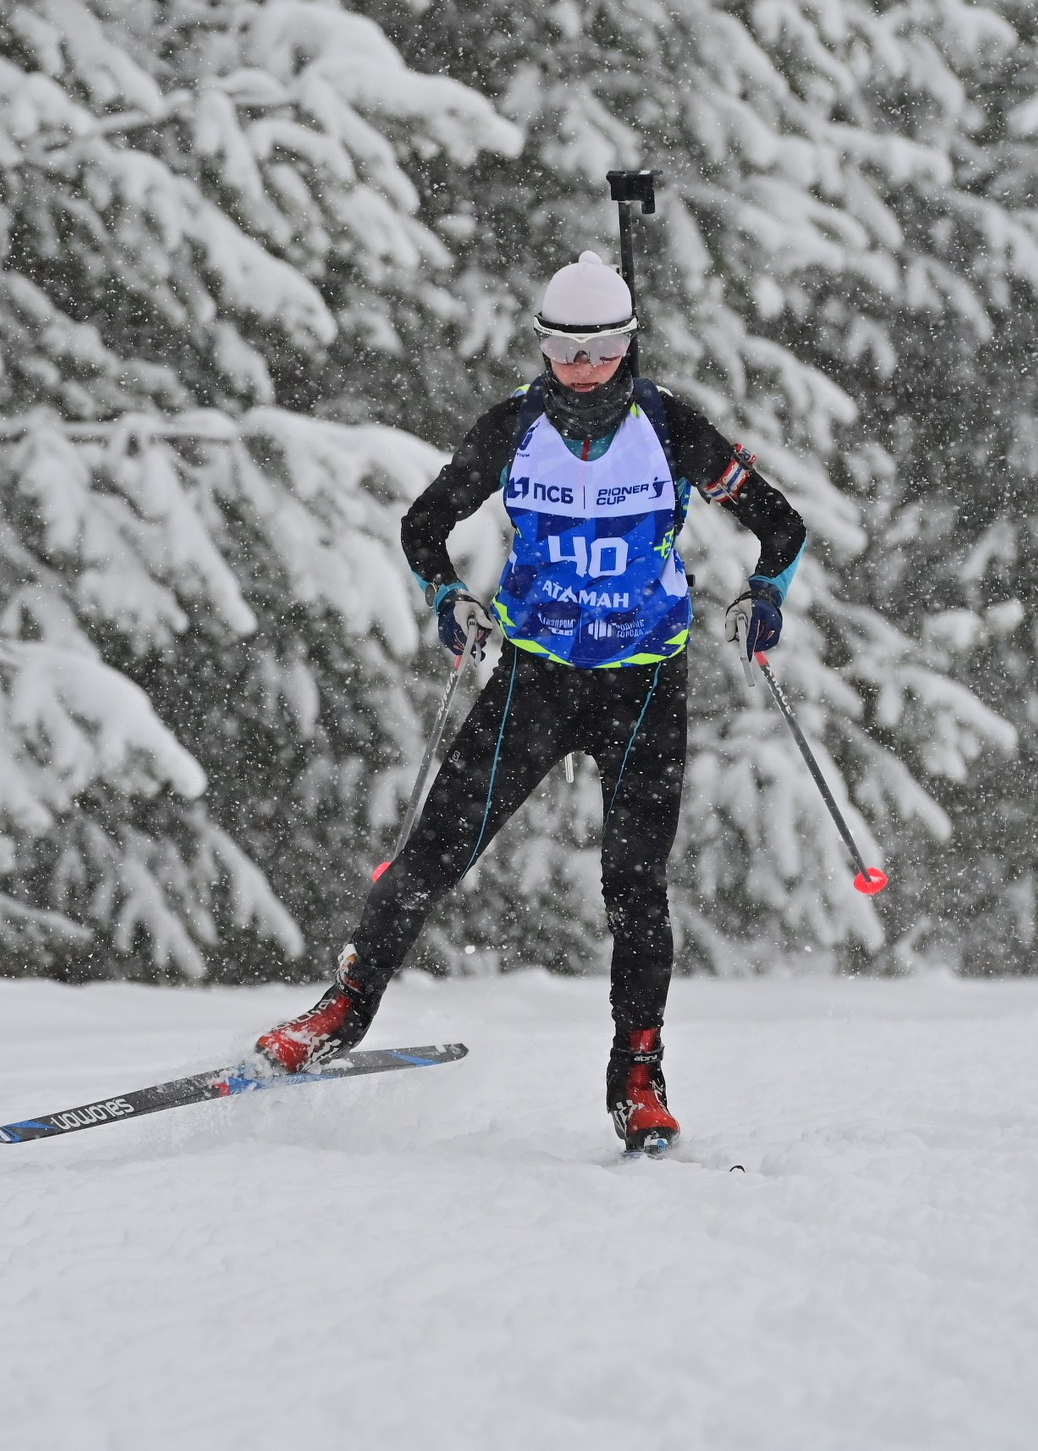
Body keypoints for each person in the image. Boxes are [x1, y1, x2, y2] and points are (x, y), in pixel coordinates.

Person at [250, 251, 808, 1153]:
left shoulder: (670, 428)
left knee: (634, 888)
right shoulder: (512, 428)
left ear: (627, 346)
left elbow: (780, 523)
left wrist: (763, 594)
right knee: (430, 849)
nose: (581, 371)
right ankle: (342, 1010)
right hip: (536, 680)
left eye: (599, 352)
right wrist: (449, 599)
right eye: (563, 350)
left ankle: (638, 1074)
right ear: (542, 346)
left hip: (644, 684)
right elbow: (423, 526)